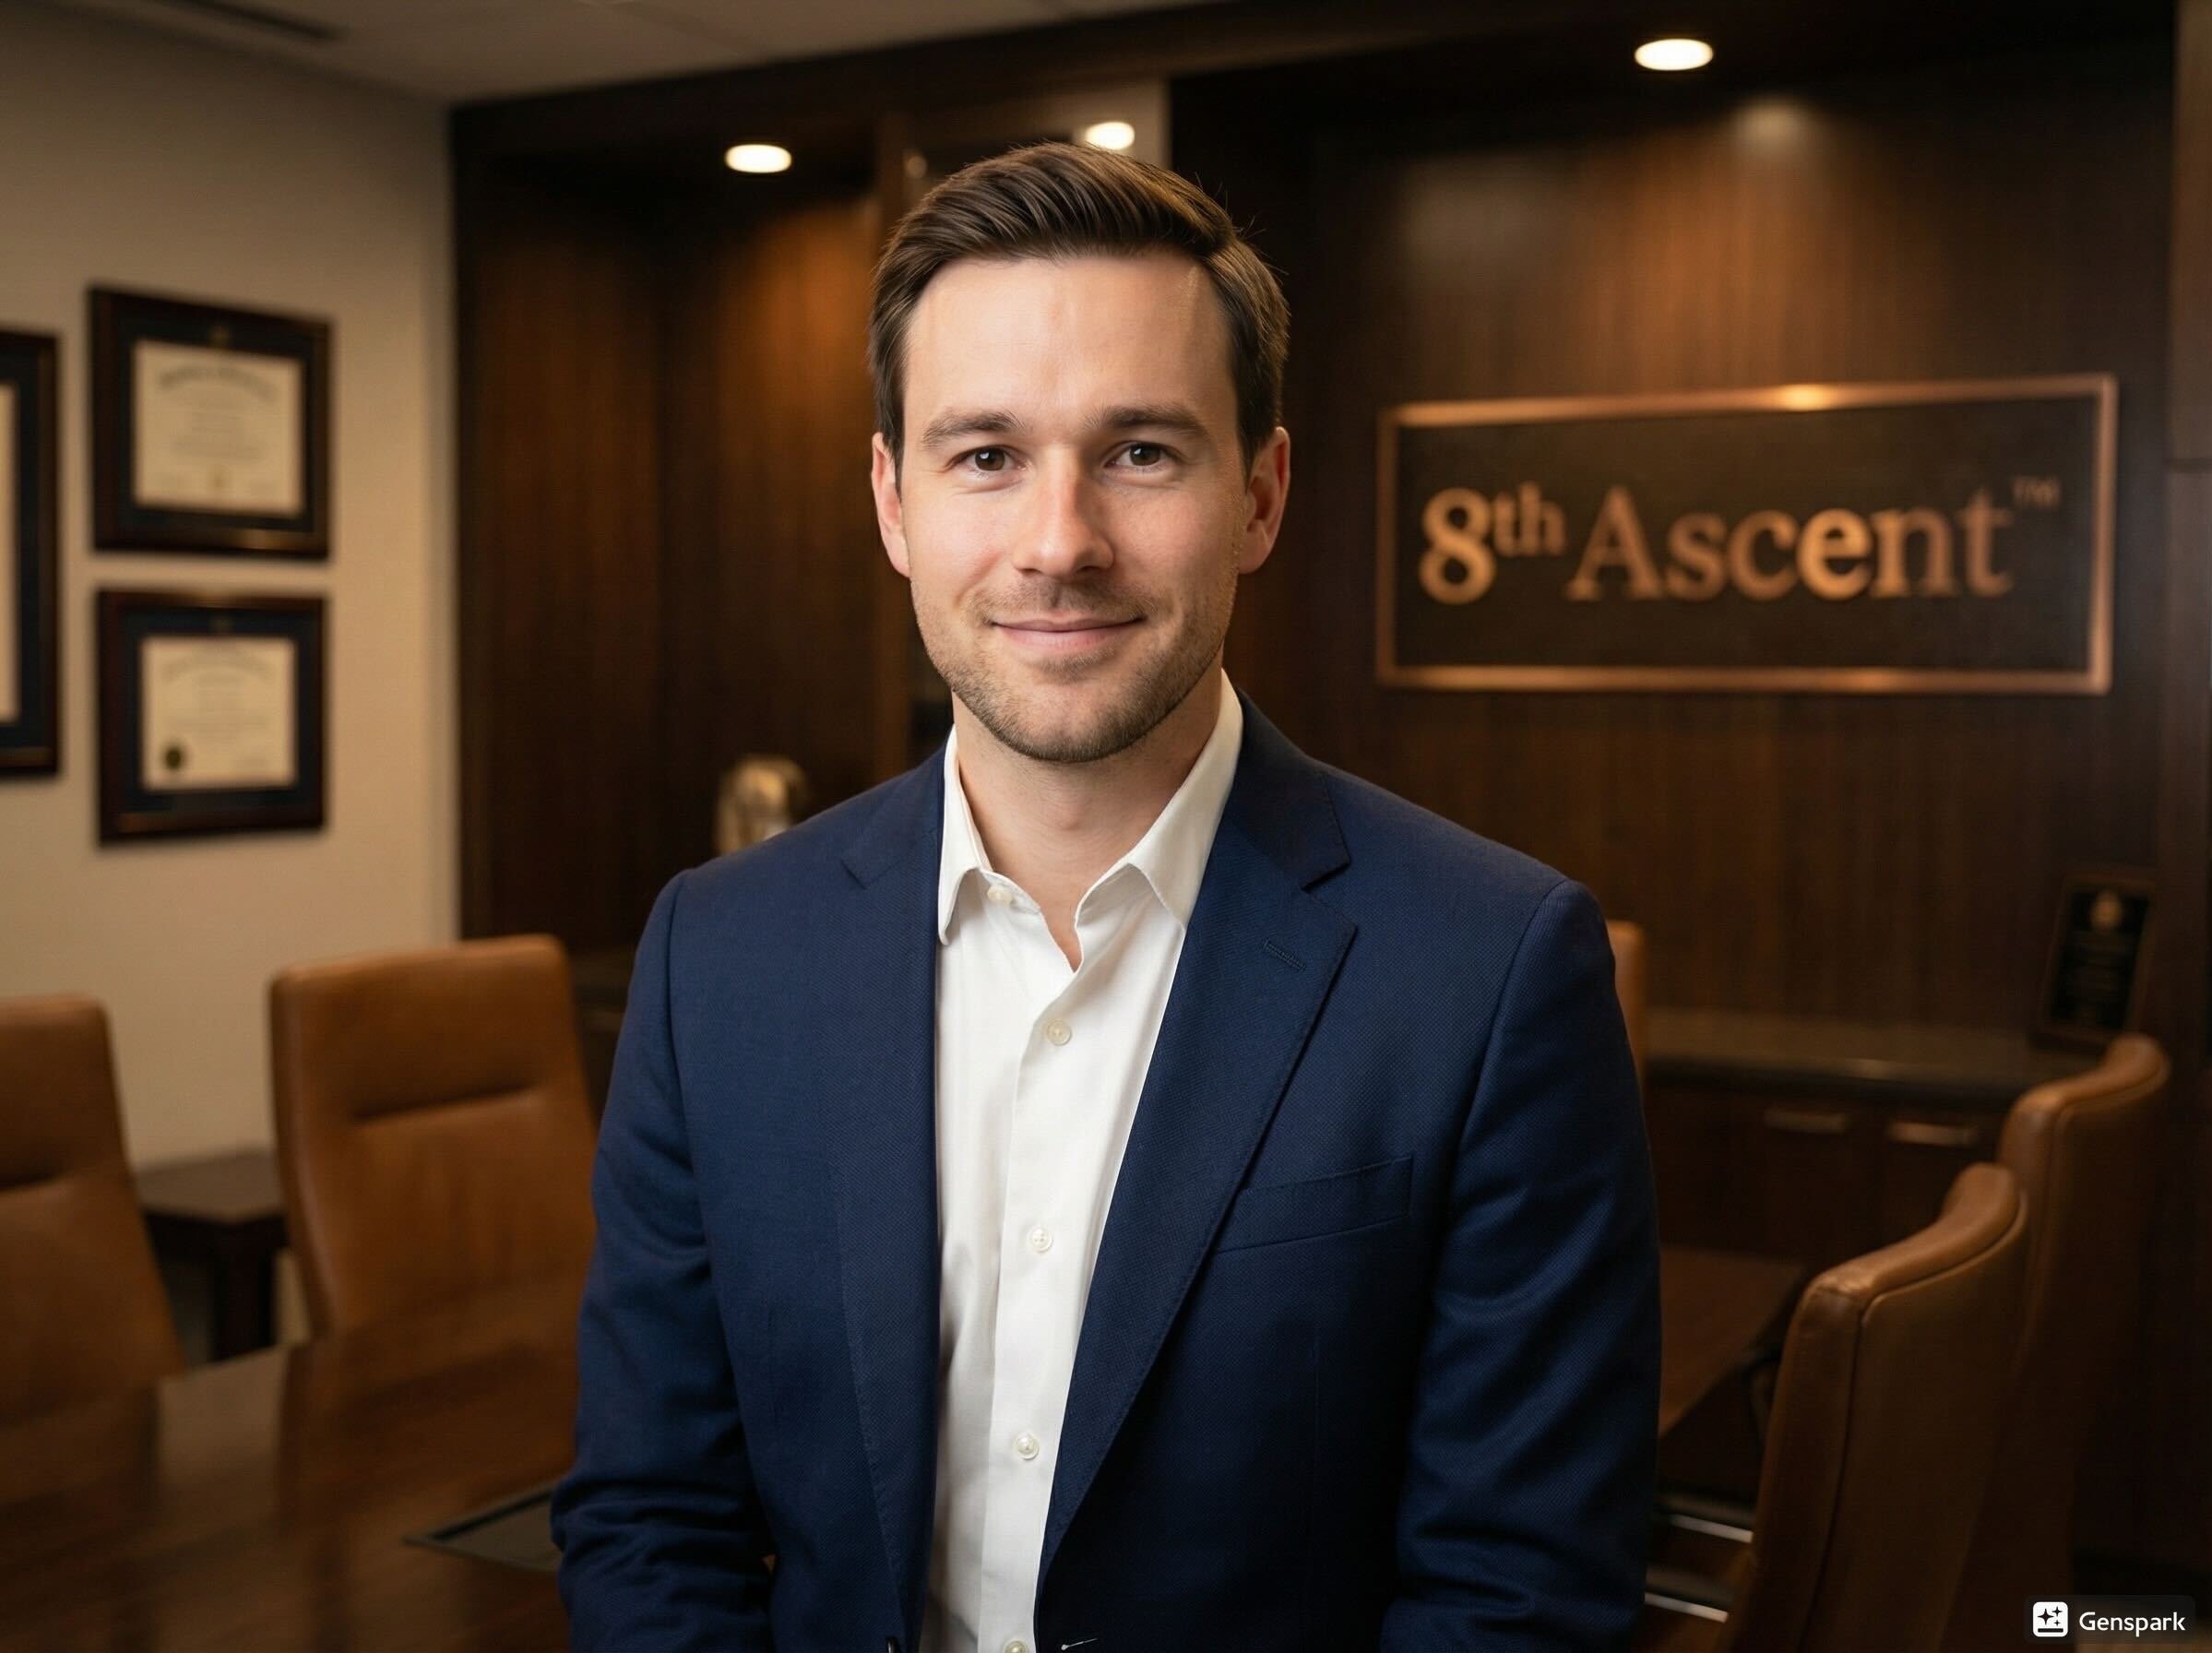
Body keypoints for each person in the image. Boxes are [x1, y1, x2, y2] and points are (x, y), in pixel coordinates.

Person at [553, 140, 1659, 1653]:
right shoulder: (721, 953)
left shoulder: (1490, 969)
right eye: (985, 454)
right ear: (893, 503)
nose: (1058, 542)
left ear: (1261, 495)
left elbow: (1517, 1598)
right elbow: (650, 1520)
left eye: (1141, 451)